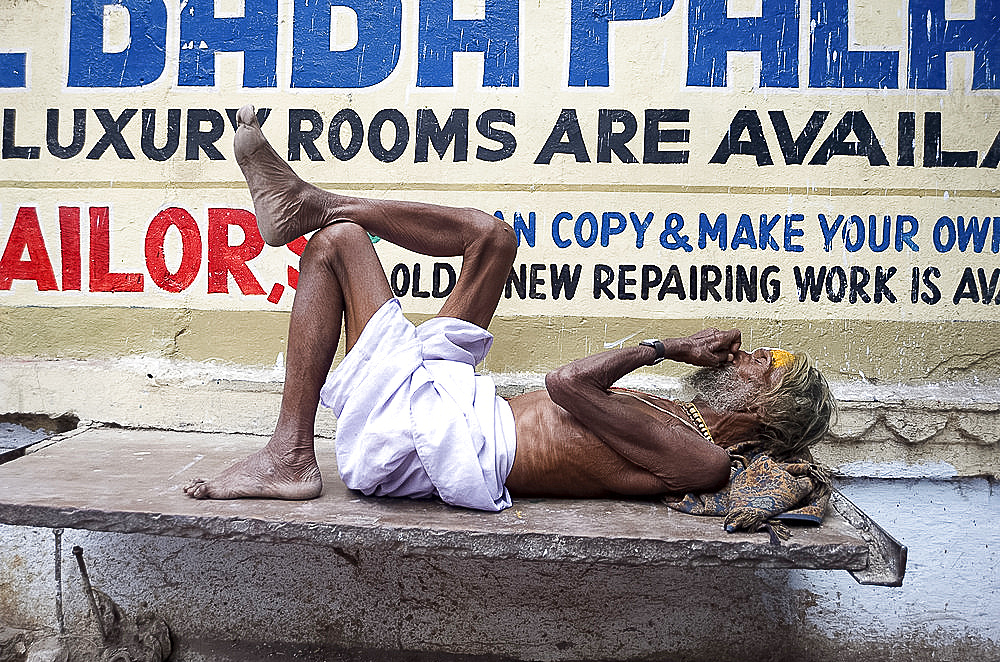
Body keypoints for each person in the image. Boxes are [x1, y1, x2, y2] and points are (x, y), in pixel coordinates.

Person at [184, 106, 834, 511]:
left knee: (340, 246)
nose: (750, 353)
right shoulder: (686, 418)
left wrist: (672, 346)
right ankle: (310, 203)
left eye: (766, 364)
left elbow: (567, 384)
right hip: (460, 401)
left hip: (428, 441)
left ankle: (291, 454)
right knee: (495, 239)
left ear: (769, 409)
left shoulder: (706, 457)